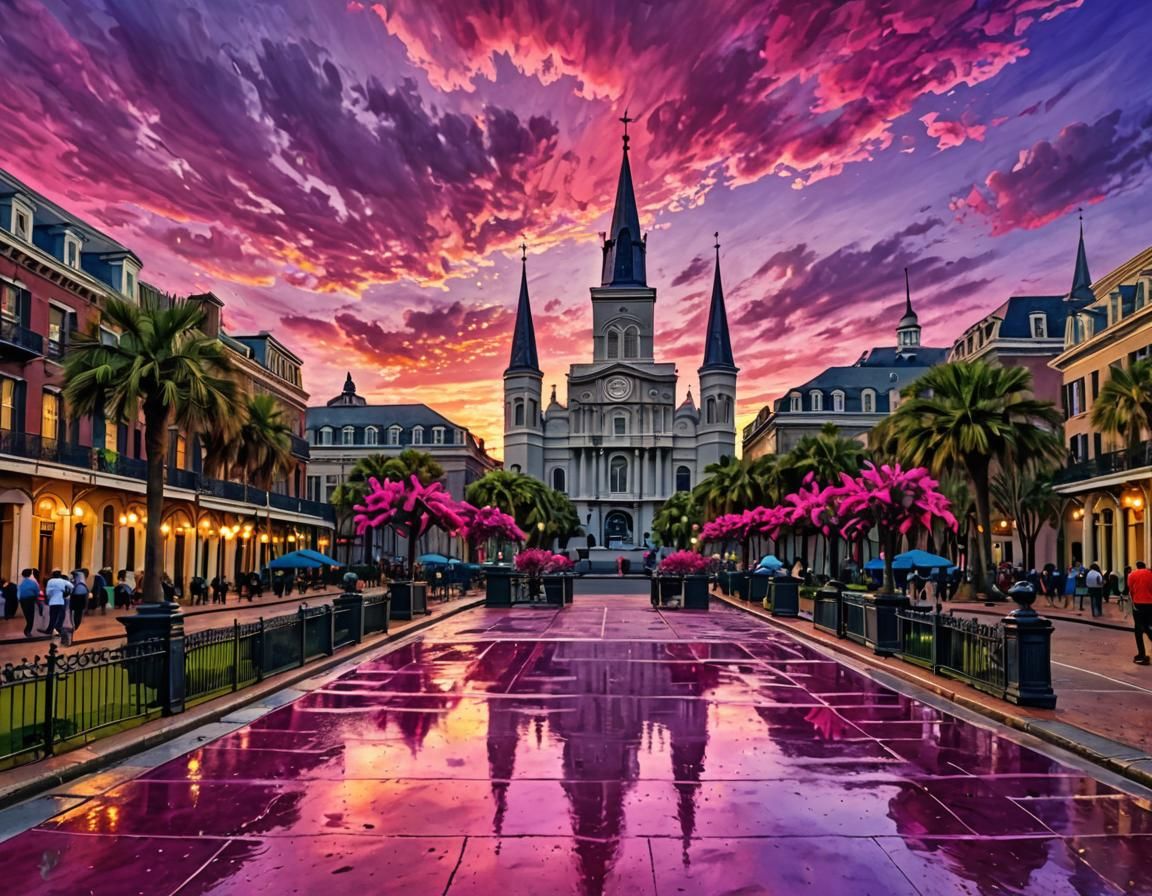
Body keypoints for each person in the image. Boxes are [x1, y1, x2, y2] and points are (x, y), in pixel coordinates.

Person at [1129, 561, 1152, 665]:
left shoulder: (1132, 575)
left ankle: (1141, 654)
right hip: (1150, 604)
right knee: (1148, 626)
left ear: (1137, 567)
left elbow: (1130, 589)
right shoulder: (1150, 574)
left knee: (1138, 630)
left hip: (1138, 604)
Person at [39, 570, 72, 638]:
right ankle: (58, 629)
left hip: (53, 601)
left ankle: (50, 630)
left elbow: (48, 592)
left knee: (53, 616)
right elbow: (71, 586)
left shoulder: (50, 581)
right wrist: (67, 592)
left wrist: (49, 596)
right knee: (60, 616)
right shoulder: (62, 581)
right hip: (61, 601)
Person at [17, 568, 40, 638]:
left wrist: (19, 599)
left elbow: (18, 593)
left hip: (22, 600)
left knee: (27, 616)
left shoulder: (21, 583)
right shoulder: (33, 583)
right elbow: (37, 592)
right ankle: (27, 631)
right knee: (31, 616)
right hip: (30, 600)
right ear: (30, 574)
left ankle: (27, 630)